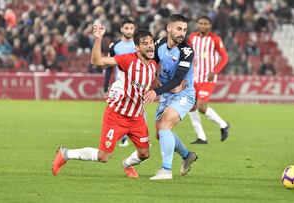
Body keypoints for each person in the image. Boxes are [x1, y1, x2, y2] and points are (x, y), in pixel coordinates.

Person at [52, 25, 157, 178]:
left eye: (151, 42)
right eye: (145, 43)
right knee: (103, 156)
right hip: (117, 115)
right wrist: (98, 38)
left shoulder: (153, 65)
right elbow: (96, 61)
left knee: (145, 154)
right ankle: (65, 153)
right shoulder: (128, 60)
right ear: (137, 48)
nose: (150, 45)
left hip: (137, 117)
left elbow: (149, 84)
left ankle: (127, 165)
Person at [143, 14, 198, 180]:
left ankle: (166, 170)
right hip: (167, 93)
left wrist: (155, 92)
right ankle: (187, 155)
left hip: (184, 94)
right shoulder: (159, 44)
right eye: (179, 28)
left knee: (165, 124)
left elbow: (177, 81)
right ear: (169, 28)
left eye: (184, 30)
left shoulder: (186, 51)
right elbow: (151, 62)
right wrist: (154, 77)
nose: (182, 33)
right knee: (160, 134)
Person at [187, 16, 230, 144]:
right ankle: (201, 137)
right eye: (200, 23)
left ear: (210, 25)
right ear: (197, 25)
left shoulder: (215, 39)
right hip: (194, 77)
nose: (202, 26)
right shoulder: (192, 37)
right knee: (191, 106)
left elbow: (225, 58)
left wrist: (215, 71)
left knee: (201, 106)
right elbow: (188, 54)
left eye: (205, 24)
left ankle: (223, 124)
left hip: (208, 78)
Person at [103, 18, 137, 147]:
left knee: (138, 111)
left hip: (137, 83)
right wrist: (105, 85)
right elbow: (109, 66)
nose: (129, 30)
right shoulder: (114, 46)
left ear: (134, 29)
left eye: (131, 28)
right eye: (126, 28)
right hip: (121, 84)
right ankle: (123, 137)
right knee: (119, 111)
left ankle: (141, 137)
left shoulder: (138, 45)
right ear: (122, 29)